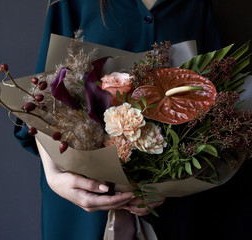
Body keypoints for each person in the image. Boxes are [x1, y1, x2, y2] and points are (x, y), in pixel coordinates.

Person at [14, 0, 221, 239]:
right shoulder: (75, 3)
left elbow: (216, 100)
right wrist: (54, 178)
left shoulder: (196, 7)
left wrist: (174, 184)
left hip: (169, 205)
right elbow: (41, 98)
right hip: (81, 202)